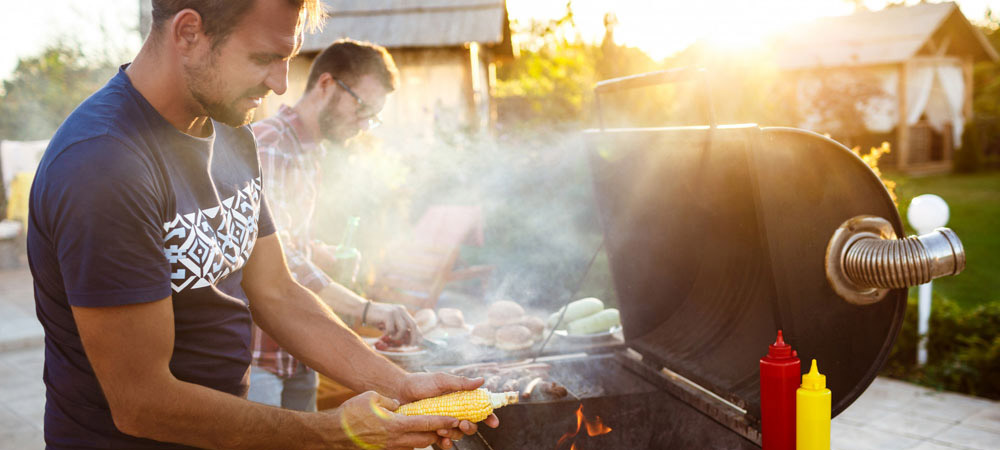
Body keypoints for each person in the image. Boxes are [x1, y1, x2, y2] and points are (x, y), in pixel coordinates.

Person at [26, 1, 496, 449]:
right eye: (265, 58)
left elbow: (277, 292)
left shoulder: (232, 131)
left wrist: (401, 384)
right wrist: (334, 432)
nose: (281, 84)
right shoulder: (103, 163)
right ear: (188, 32)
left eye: (287, 58)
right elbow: (142, 403)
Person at [248, 39, 419, 412]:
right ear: (326, 85)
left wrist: (320, 253)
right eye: (363, 108)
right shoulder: (273, 146)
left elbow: (282, 236)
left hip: (298, 352)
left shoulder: (312, 150)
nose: (365, 124)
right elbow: (276, 261)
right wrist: (365, 308)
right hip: (259, 357)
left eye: (373, 115)